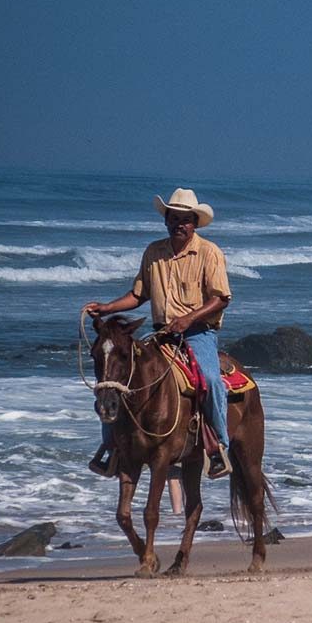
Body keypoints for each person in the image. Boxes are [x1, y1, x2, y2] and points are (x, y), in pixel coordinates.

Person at [83, 187, 233, 479]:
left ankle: (219, 448)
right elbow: (139, 295)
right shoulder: (153, 252)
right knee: (114, 377)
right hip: (161, 334)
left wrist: (188, 319)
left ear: (194, 222)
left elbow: (221, 298)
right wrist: (108, 308)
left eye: (185, 219)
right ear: (166, 220)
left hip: (198, 333)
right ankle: (111, 445)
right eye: (174, 218)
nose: (179, 224)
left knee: (212, 379)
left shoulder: (209, 252)